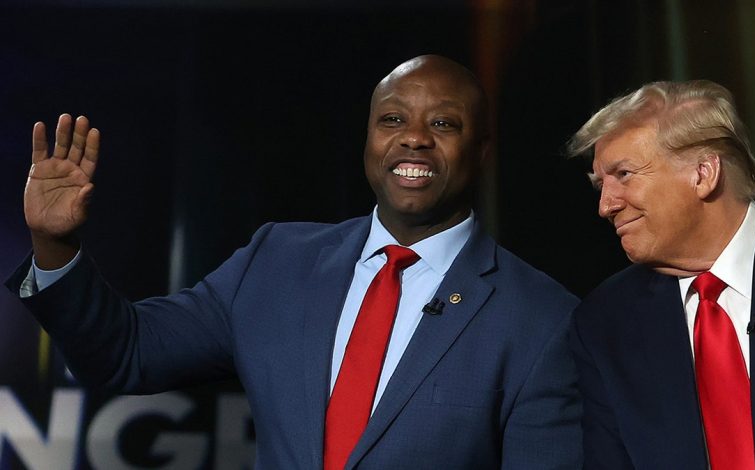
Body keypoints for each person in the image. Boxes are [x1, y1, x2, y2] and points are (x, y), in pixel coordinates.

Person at [6, 55, 582, 469]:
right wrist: (56, 246)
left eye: (443, 124)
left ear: (481, 151)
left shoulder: (541, 320)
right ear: (367, 141)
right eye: (392, 120)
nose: (414, 139)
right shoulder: (276, 262)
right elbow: (126, 354)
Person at [567, 79, 755, 469]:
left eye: (624, 174)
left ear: (703, 173)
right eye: (600, 184)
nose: (605, 206)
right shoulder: (604, 322)